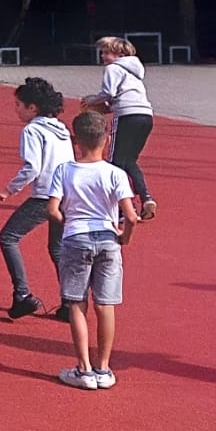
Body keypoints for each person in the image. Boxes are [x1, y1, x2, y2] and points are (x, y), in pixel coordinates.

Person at [45, 111, 141, 390]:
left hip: (76, 237)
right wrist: (125, 237)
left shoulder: (64, 170)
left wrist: (69, 223)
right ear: (106, 139)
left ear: (76, 141)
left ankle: (83, 368)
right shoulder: (116, 173)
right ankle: (104, 367)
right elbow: (131, 216)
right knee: (105, 304)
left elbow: (52, 209)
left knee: (76, 301)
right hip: (108, 238)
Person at [0, 77, 73, 321]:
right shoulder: (60, 128)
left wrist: (9, 190)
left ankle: (23, 295)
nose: (16, 109)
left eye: (19, 104)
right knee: (57, 248)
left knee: (8, 237)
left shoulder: (32, 130)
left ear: (33, 108)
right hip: (68, 192)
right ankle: (70, 302)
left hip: (45, 195)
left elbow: (33, 167)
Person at [81, 37, 157, 220]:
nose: (103, 56)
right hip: (146, 116)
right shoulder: (135, 72)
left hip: (126, 117)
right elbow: (115, 99)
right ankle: (146, 198)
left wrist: (90, 101)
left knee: (115, 163)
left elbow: (109, 93)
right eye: (102, 52)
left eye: (107, 52)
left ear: (120, 54)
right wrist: (106, 105)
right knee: (129, 161)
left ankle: (122, 210)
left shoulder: (113, 69)